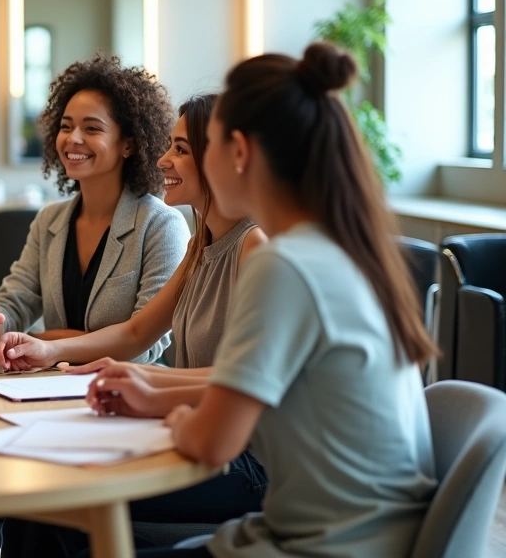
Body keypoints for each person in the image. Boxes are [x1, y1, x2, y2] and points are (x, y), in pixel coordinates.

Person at [135, 42, 439, 557]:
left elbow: (213, 443)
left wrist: (177, 418)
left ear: (239, 152)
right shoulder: (335, 251)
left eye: (203, 147)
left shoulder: (284, 264)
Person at [0, 95, 267, 557]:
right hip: (193, 427)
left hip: (244, 461)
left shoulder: (254, 248)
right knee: (7, 474)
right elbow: (134, 333)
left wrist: (141, 378)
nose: (164, 160)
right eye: (169, 145)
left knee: (46, 489)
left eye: (182, 150)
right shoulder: (201, 246)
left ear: (225, 159)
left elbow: (245, 383)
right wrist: (49, 353)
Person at [0, 53, 189, 364]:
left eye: (92, 129)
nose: (73, 139)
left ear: (129, 144)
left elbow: (143, 346)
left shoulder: (162, 225)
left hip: (122, 392)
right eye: (66, 127)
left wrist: (46, 342)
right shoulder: (49, 220)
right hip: (51, 386)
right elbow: (15, 301)